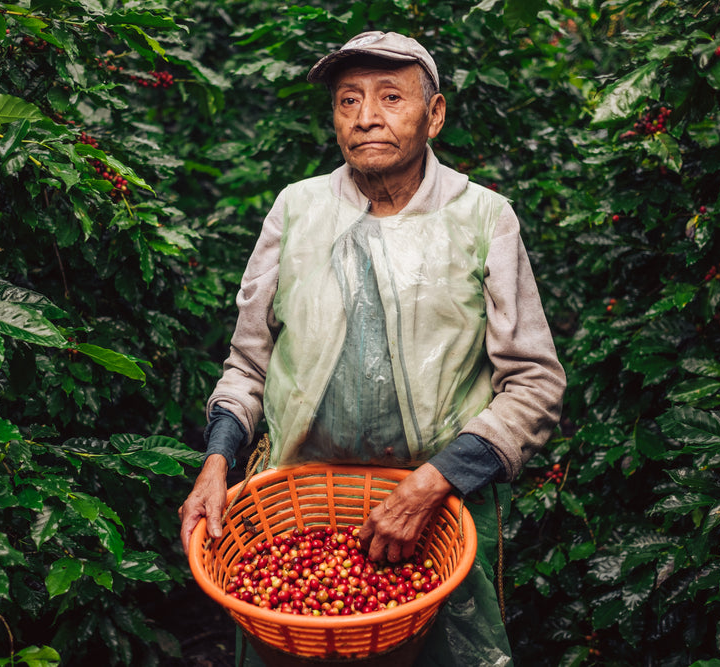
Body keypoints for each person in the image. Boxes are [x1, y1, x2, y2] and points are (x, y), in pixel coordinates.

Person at [179, 31, 566, 666]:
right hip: (296, 509)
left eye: (391, 97)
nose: (366, 118)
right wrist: (218, 461)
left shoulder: (483, 217)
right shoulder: (297, 209)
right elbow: (249, 363)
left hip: (432, 517)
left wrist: (435, 483)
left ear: (434, 114)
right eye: (348, 100)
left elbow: (535, 384)